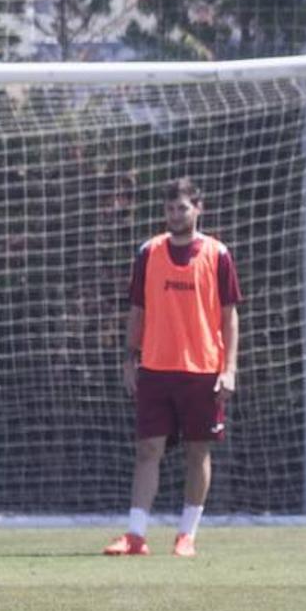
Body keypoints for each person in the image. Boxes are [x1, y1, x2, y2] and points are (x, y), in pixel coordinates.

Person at [104, 178, 241, 558]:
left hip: (202, 370)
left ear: (199, 208)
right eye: (169, 209)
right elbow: (138, 311)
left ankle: (186, 535)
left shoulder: (218, 254)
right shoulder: (149, 252)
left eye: (182, 208)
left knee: (198, 451)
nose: (176, 215)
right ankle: (135, 535)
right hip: (156, 368)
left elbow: (230, 317)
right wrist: (130, 358)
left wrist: (229, 368)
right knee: (148, 448)